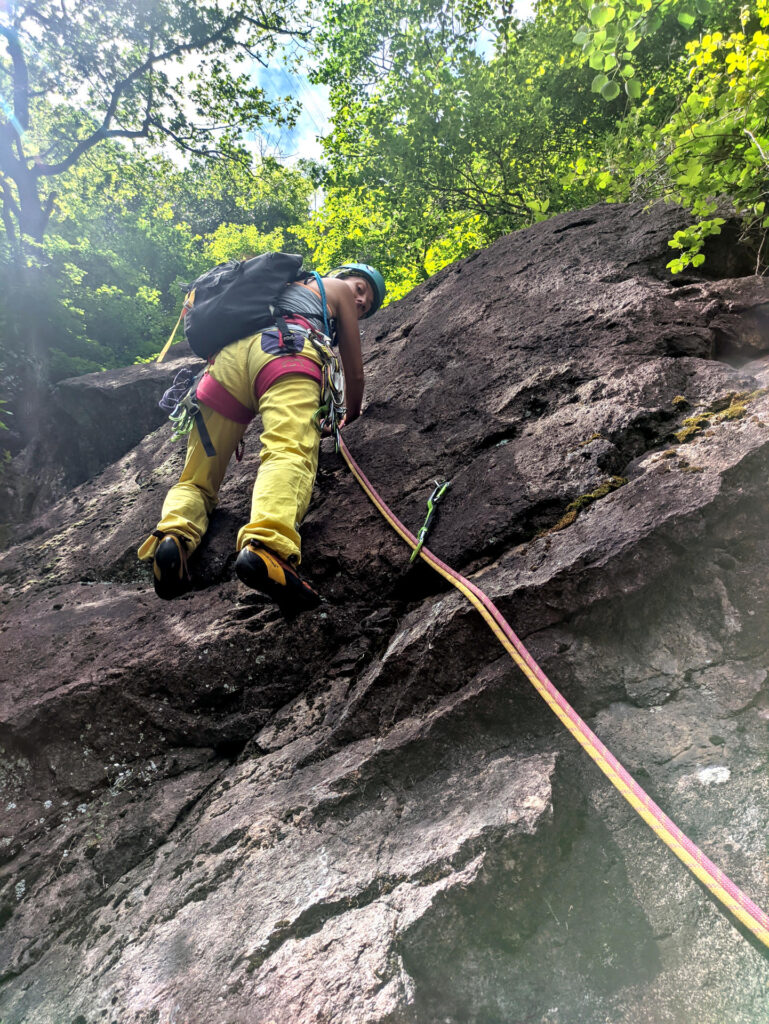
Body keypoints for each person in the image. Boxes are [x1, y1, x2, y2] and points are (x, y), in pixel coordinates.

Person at [137, 262, 386, 611]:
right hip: (284, 351)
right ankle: (267, 549)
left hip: (224, 366)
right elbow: (355, 374)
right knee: (288, 451)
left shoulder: (275, 286)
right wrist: (351, 413)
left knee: (197, 476)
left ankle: (174, 534)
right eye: (361, 288)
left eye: (367, 303)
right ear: (344, 277)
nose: (360, 300)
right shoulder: (336, 289)